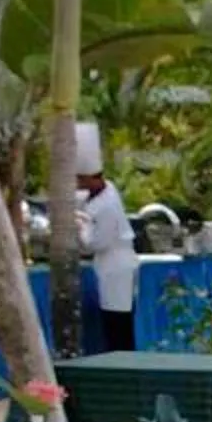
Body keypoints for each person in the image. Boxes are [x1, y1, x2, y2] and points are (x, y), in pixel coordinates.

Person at [76, 124, 139, 351]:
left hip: (116, 266)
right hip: (109, 266)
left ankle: (123, 360)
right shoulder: (106, 190)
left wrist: (81, 226)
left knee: (118, 322)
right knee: (112, 319)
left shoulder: (108, 206)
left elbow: (97, 243)